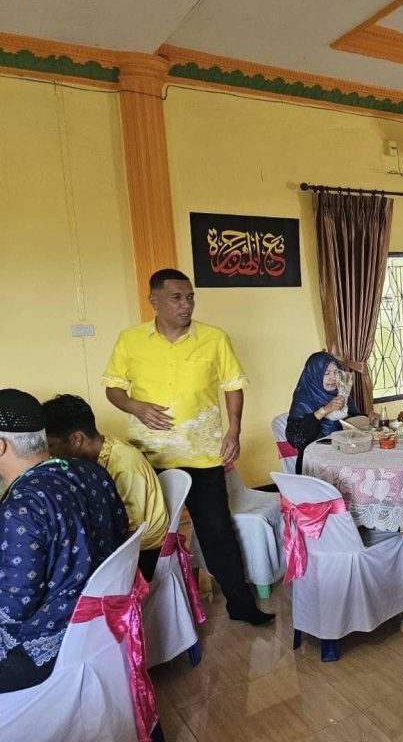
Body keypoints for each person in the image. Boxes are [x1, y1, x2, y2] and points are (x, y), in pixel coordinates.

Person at [102, 268, 272, 625]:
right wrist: (135, 406)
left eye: (190, 297)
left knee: (217, 532)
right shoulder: (130, 340)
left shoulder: (214, 338)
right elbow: (113, 388)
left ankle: (241, 605)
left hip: (203, 455)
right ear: (154, 300)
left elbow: (233, 386)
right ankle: (147, 615)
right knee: (148, 532)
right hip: (150, 456)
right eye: (177, 298)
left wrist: (234, 431)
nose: (186, 305)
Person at [0, 389, 128, 693]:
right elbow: (120, 532)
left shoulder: (22, 507)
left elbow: (14, 608)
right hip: (99, 626)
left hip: (47, 647)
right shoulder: (91, 471)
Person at [42, 394, 169, 580]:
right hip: (124, 538)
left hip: (143, 549)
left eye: (51, 445)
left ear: (77, 439)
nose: (49, 454)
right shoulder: (100, 451)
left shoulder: (124, 465)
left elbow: (130, 528)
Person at [285, 351, 368, 472]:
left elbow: (352, 421)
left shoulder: (341, 394)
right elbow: (295, 438)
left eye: (336, 373)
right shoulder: (304, 397)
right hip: (315, 464)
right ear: (314, 374)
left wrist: (368, 417)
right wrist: (325, 410)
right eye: (326, 373)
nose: (333, 378)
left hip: (345, 456)